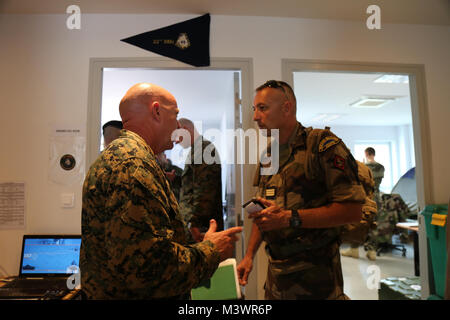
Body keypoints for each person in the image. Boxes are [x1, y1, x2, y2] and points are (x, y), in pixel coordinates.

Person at [80, 83, 242, 299]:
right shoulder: (133, 166)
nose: (177, 124)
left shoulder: (125, 158)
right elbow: (151, 272)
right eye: (175, 115)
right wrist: (211, 250)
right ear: (156, 111)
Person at [237, 80, 365, 300]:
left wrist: (289, 218)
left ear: (287, 108)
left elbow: (352, 211)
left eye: (263, 108)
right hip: (276, 282)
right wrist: (249, 255)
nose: (255, 116)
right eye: (254, 109)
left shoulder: (322, 146)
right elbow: (262, 215)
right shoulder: (269, 156)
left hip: (318, 284)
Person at [177, 118, 224, 243]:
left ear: (185, 130)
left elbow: (205, 191)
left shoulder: (204, 150)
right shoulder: (197, 150)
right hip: (197, 225)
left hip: (202, 228)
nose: (176, 141)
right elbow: (192, 186)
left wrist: (194, 224)